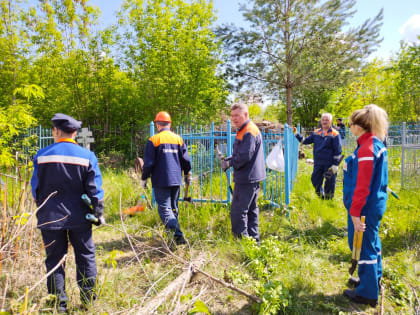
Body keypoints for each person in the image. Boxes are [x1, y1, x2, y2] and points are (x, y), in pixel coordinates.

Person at [31, 113, 105, 313]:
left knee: (54, 260)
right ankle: (88, 301)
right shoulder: (87, 156)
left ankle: (58, 305)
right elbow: (95, 191)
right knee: (86, 256)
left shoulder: (41, 155)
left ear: (55, 131)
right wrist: (98, 212)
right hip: (80, 217)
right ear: (75, 133)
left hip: (49, 218)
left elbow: (35, 191)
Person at [342, 104, 389, 307]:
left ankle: (367, 294)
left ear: (358, 126)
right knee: (372, 242)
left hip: (364, 208)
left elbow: (363, 185)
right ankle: (372, 280)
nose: (349, 128)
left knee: (362, 247)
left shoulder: (367, 148)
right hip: (373, 206)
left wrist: (354, 212)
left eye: (350, 124)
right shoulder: (374, 143)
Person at [141, 111, 191, 245]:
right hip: (176, 179)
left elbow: (149, 163)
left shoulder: (154, 140)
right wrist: (187, 174)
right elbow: (186, 160)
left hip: (161, 180)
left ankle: (177, 235)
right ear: (170, 124)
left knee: (164, 209)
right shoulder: (178, 139)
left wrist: (144, 179)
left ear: (157, 124)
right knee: (173, 208)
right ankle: (173, 237)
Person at [221, 103, 266, 243]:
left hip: (247, 178)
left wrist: (229, 163)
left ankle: (242, 243)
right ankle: (254, 241)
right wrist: (229, 159)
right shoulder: (245, 129)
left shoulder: (249, 131)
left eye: (237, 115)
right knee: (251, 211)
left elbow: (245, 156)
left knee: (238, 212)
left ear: (245, 114)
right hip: (251, 176)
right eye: (232, 115)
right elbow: (241, 153)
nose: (234, 118)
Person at [294, 113, 342, 199]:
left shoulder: (335, 134)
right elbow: (305, 141)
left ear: (330, 121)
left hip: (330, 163)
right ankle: (321, 195)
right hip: (318, 162)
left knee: (329, 182)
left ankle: (328, 200)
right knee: (315, 180)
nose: (324, 121)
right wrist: (296, 134)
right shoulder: (316, 133)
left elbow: (338, 150)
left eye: (327, 120)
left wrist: (335, 164)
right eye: (323, 119)